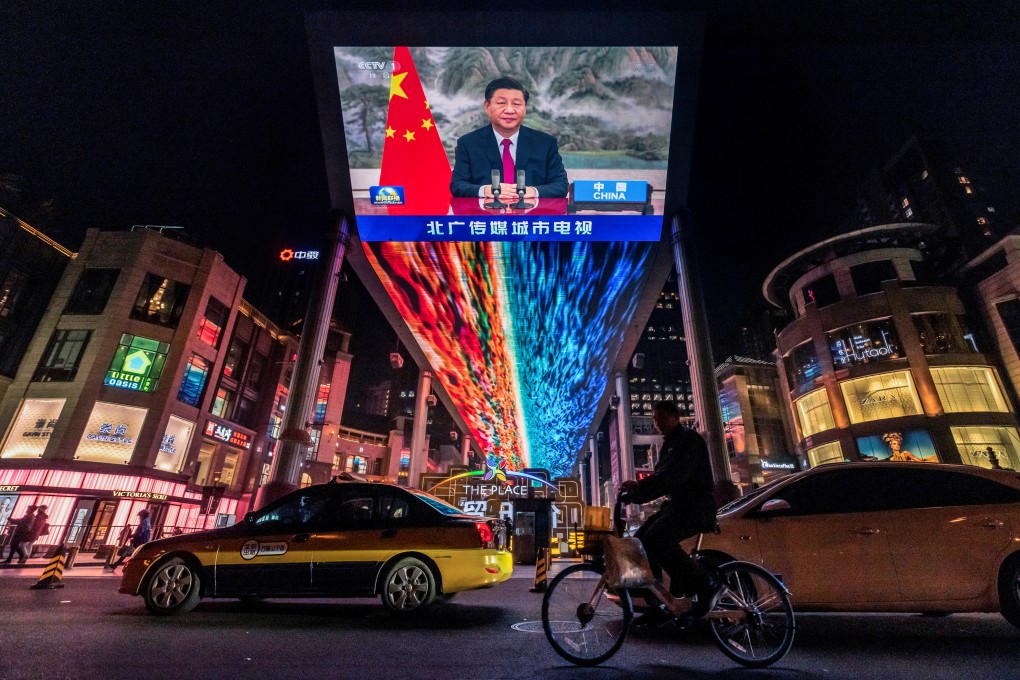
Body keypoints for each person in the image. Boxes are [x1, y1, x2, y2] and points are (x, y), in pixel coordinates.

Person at [620, 400, 719, 625]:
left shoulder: (688, 440)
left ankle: (705, 584)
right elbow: (662, 479)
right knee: (641, 540)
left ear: (675, 416)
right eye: (654, 419)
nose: (657, 423)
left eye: (661, 417)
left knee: (658, 539)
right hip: (679, 507)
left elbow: (671, 477)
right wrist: (636, 492)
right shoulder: (671, 444)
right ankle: (658, 601)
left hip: (696, 507)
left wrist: (638, 491)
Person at [449, 77, 568, 202]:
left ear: (525, 108)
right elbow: (458, 186)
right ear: (487, 106)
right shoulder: (468, 143)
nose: (510, 110)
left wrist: (532, 191)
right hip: (486, 217)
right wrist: (485, 190)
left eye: (516, 104)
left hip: (531, 218)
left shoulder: (545, 143)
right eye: (501, 103)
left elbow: (560, 185)